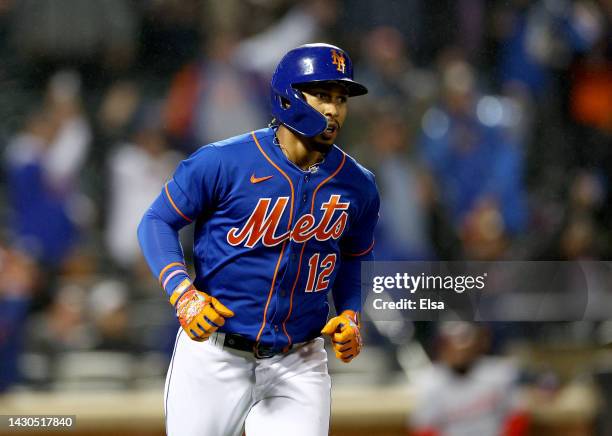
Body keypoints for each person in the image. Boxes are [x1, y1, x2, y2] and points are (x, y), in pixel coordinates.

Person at [138, 43, 379, 436]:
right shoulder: (222, 162)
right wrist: (183, 293)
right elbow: (155, 222)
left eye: (341, 98)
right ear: (288, 96)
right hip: (214, 355)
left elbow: (356, 256)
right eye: (322, 95)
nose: (334, 110)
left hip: (299, 359)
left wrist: (351, 313)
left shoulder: (359, 185)